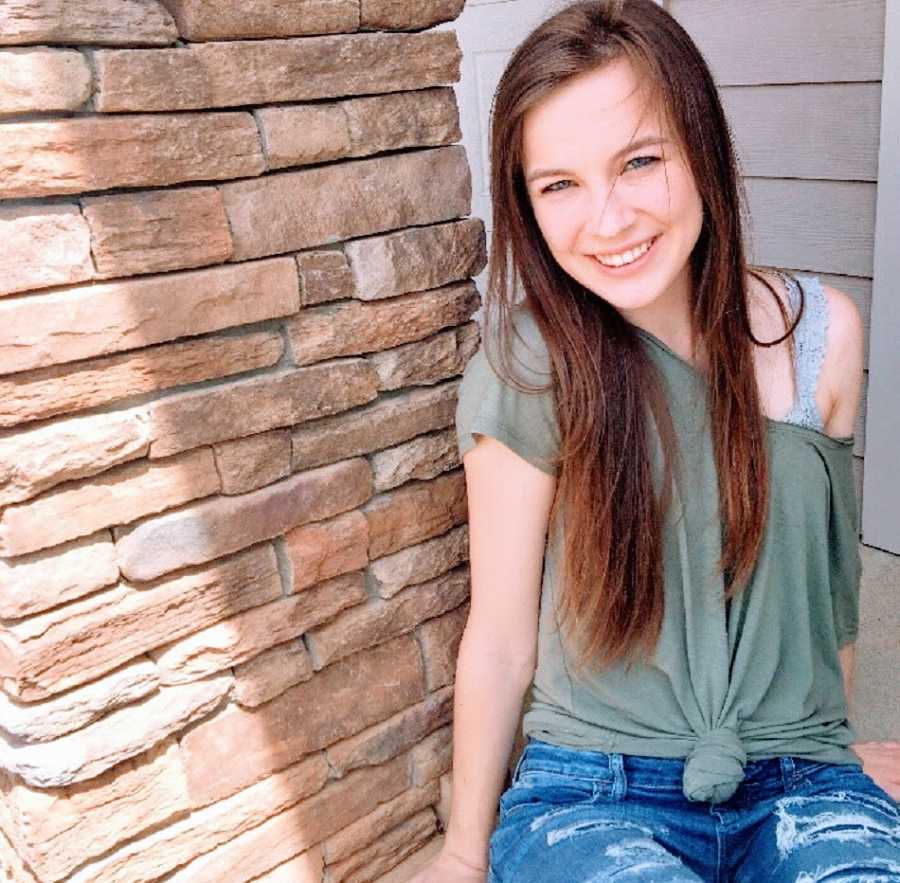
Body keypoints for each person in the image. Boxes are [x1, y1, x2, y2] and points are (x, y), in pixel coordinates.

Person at [411, 1, 900, 881]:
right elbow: (501, 636)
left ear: (701, 150)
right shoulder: (532, 361)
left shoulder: (825, 331)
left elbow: (827, 590)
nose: (607, 221)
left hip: (801, 779)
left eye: (639, 161)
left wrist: (837, 758)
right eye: (559, 183)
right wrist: (460, 847)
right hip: (592, 790)